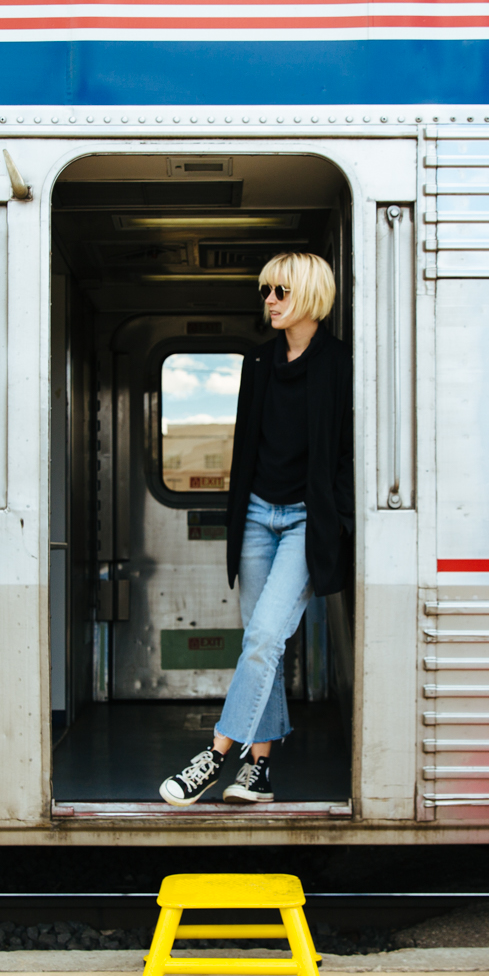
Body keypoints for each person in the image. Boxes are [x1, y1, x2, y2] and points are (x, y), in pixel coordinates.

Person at [159, 252, 352, 806]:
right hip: (256, 516)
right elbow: (247, 445)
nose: (269, 299)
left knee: (267, 636)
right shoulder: (261, 361)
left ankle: (217, 753)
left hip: (304, 521)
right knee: (260, 643)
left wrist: (336, 518)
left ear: (309, 295)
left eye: (280, 291)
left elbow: (346, 453)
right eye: (266, 289)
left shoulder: (341, 364)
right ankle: (260, 770)